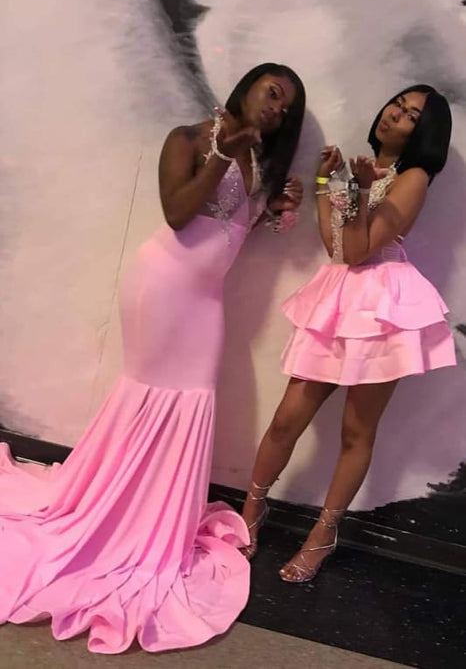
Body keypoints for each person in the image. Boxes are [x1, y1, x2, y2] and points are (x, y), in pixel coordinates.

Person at [0, 63, 305, 651]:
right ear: (247, 88)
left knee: (192, 402)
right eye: (273, 93)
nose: (277, 108)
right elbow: (178, 213)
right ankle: (112, 514)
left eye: (286, 107)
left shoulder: (257, 160)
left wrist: (274, 207)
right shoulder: (188, 138)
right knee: (149, 397)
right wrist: (222, 153)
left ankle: (151, 520)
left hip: (205, 300)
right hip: (161, 288)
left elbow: (230, 229)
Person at [241, 85, 455, 583]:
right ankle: (252, 509)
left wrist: (356, 192)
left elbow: (360, 251)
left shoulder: (414, 178)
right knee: (285, 421)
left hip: (383, 307)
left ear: (424, 132)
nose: (395, 115)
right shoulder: (361, 169)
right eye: (397, 104)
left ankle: (323, 535)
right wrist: (325, 181)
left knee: (356, 432)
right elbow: (335, 247)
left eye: (410, 115)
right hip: (338, 298)